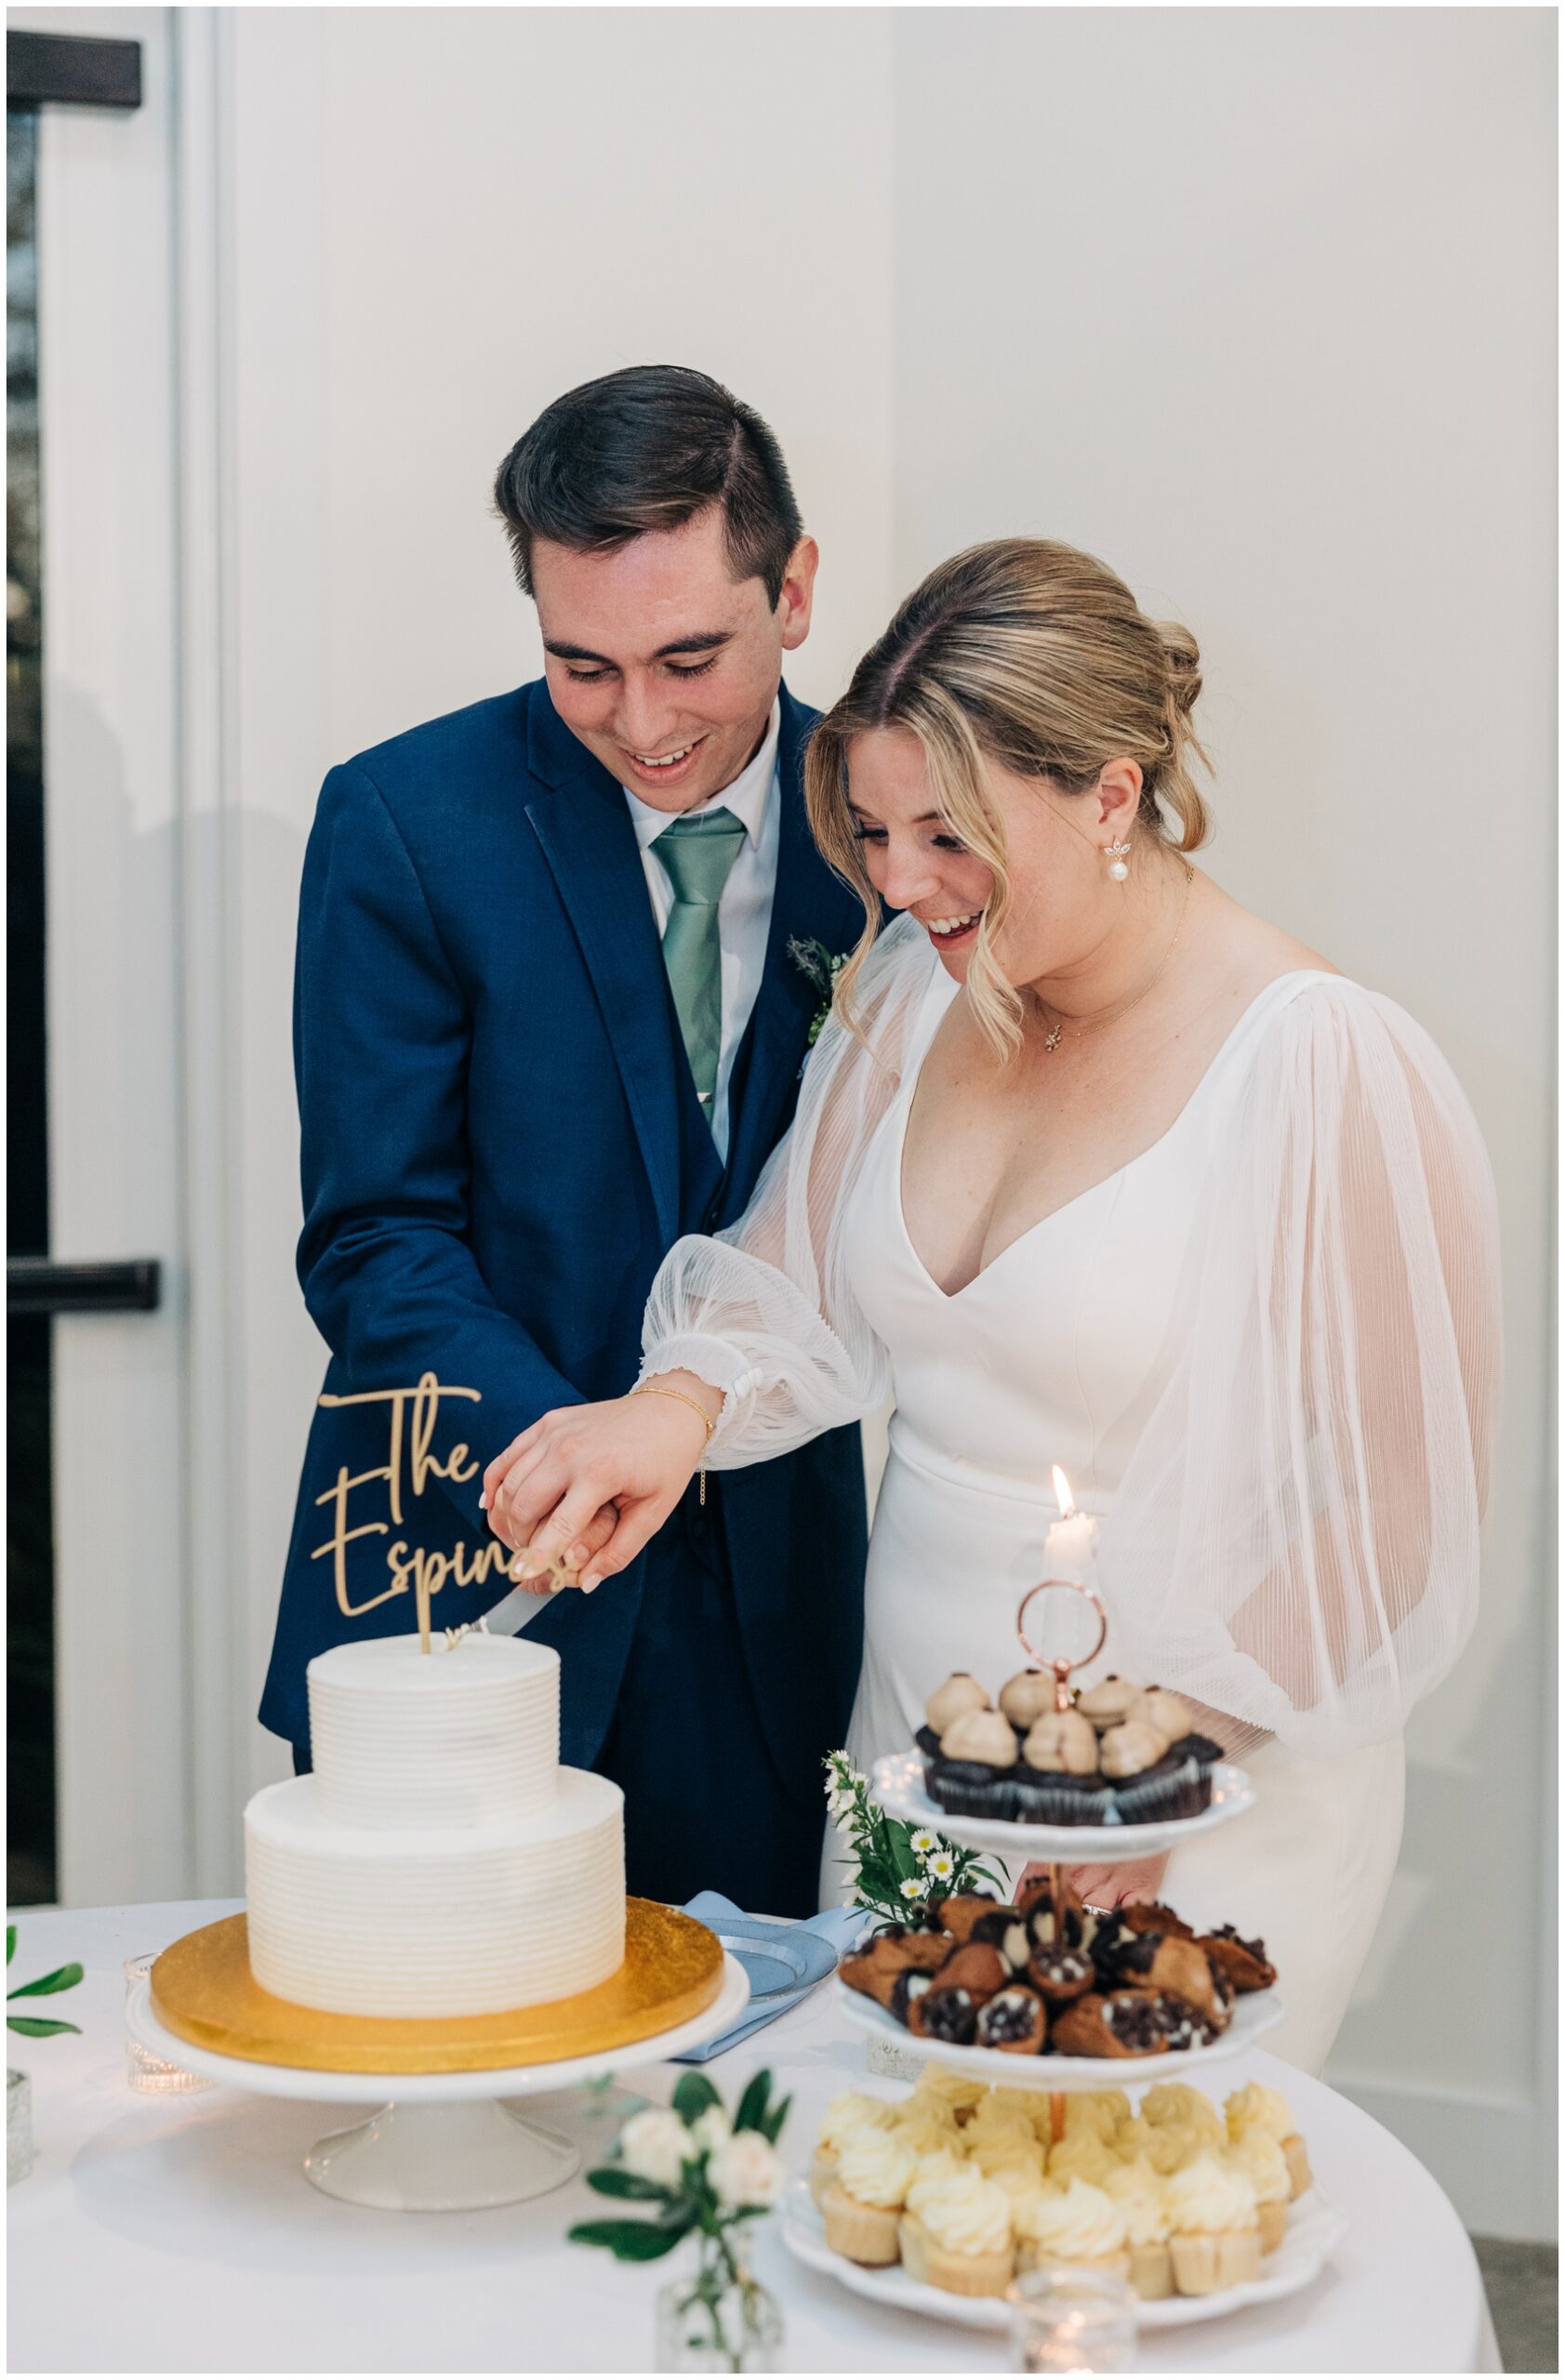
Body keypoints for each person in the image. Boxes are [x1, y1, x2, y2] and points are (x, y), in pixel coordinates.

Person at [484, 537, 1503, 2070]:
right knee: (891, 2188)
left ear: (1109, 792)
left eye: (946, 834)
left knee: (1119, 2234)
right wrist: (669, 1411)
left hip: (1200, 1765)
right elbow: (789, 1274)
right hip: (915, 1736)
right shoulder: (917, 992)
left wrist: (1141, 1779)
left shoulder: (1322, 1066)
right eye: (879, 834)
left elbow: (1396, 1507)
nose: (899, 884)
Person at [259, 366, 869, 1918]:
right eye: (581, 666)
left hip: (799, 1605)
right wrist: (569, 1457)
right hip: (477, 1587)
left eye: (689, 657)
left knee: (753, 2113)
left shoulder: (893, 836)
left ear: (792, 591)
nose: (643, 723)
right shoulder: (407, 819)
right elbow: (374, 1235)